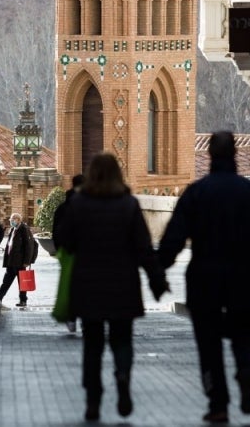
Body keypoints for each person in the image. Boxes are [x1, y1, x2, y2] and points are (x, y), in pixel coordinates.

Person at [157, 131, 250, 424]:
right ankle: (244, 371)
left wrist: (158, 270)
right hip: (242, 278)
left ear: (210, 156)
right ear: (235, 155)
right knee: (242, 332)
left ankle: (218, 404)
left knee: (209, 342)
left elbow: (174, 237)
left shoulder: (197, 193)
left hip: (204, 279)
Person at [58, 152, 168, 423]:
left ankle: (93, 399)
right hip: (123, 285)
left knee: (92, 345)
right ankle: (122, 376)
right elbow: (144, 249)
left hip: (88, 286)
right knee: (122, 339)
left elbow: (63, 242)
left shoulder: (79, 205)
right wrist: (157, 280)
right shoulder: (128, 205)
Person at [52, 173, 84, 333]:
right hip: (85, 253)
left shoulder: (63, 207)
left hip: (68, 252)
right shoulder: (89, 204)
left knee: (70, 286)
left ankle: (72, 317)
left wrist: (60, 250)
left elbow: (56, 231)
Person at [0, 212, 38, 307]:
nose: (11, 221)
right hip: (11, 261)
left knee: (22, 282)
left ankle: (23, 300)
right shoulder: (13, 229)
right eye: (11, 219)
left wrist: (26, 261)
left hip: (20, 262)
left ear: (18, 220)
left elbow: (29, 246)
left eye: (13, 219)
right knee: (6, 280)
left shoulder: (24, 229)